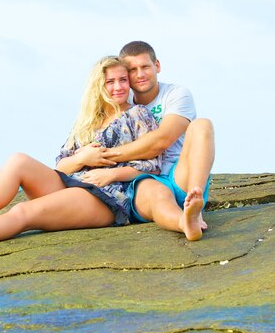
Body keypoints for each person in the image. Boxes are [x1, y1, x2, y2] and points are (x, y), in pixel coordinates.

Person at [0, 56, 161, 251]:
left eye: (122, 80)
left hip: (105, 199)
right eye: (110, 81)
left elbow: (154, 165)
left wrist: (111, 174)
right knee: (18, 161)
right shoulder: (88, 120)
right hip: (71, 184)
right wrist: (82, 159)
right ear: (99, 85)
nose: (118, 87)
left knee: (23, 213)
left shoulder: (138, 115)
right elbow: (60, 166)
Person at [92, 41, 215, 241]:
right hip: (144, 178)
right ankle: (185, 223)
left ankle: (195, 200)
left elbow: (162, 140)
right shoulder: (121, 102)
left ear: (156, 66)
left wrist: (105, 156)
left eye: (145, 67)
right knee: (156, 194)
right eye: (133, 70)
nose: (140, 74)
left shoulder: (176, 94)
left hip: (179, 173)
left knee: (202, 125)